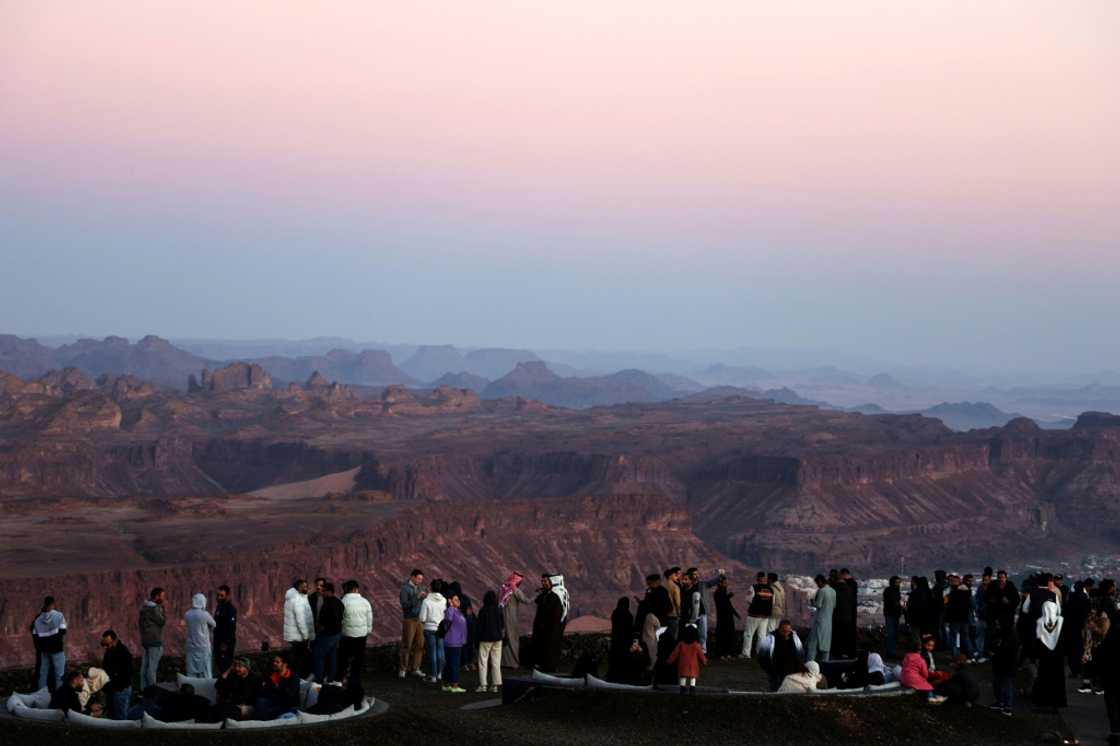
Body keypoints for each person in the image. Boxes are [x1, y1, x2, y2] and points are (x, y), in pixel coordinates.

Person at [1032, 600, 1067, 710]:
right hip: (1057, 656)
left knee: (1044, 677)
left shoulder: (1040, 621)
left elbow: (1037, 639)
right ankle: (1057, 702)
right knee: (1057, 678)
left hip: (1044, 655)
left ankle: (1043, 701)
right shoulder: (1061, 621)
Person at [532, 574, 569, 673]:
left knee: (550, 646)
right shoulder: (561, 592)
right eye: (542, 581)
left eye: (545, 581)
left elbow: (547, 610)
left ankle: (548, 667)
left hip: (551, 626)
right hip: (555, 626)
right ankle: (549, 666)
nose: (543, 583)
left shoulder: (554, 595)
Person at [339, 579, 374, 686]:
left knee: (344, 657)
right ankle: (355, 678)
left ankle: (343, 677)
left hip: (347, 634)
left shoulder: (342, 602)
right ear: (356, 589)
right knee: (358, 657)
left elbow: (340, 619)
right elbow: (369, 618)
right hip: (362, 635)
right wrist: (368, 630)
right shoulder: (365, 601)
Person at [635, 573, 672, 669]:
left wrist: (647, 606)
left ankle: (654, 663)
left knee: (652, 642)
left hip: (657, 620)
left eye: (649, 583)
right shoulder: (651, 591)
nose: (648, 585)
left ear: (655, 582)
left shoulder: (660, 592)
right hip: (657, 621)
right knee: (654, 642)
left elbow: (666, 607)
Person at [209, 657, 261, 722]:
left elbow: (252, 696)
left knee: (226, 710)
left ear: (246, 668)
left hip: (247, 706)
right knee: (215, 709)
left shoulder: (254, 679)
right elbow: (217, 685)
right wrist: (229, 669)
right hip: (232, 705)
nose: (236, 669)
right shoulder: (233, 676)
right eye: (235, 666)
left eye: (240, 667)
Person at [32, 596, 67, 692]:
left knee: (43, 674)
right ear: (53, 604)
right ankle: (60, 698)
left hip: (44, 651)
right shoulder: (59, 615)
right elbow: (63, 631)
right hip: (57, 650)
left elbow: (35, 636)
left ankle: (40, 697)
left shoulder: (37, 620)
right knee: (59, 675)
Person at [499, 572, 533, 669]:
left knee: (504, 638)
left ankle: (503, 662)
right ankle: (513, 662)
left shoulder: (502, 588)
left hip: (501, 617)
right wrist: (536, 595)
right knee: (512, 639)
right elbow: (527, 601)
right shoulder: (515, 590)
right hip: (511, 618)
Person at [312, 581, 344, 683]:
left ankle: (319, 681)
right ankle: (331, 679)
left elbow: (323, 619)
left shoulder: (328, 603)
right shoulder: (339, 602)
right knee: (332, 656)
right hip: (337, 633)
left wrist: (322, 627)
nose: (321, 593)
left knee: (318, 656)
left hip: (328, 634)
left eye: (323, 591)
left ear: (328, 591)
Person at [759, 619, 803, 691]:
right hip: (775, 671)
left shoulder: (795, 637)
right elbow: (762, 655)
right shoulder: (770, 637)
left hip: (790, 671)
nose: (786, 633)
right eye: (784, 631)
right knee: (774, 690)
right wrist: (769, 669)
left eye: (788, 631)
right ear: (779, 629)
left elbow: (800, 653)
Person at [282, 579, 314, 678]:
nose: (306, 588)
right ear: (298, 587)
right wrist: (305, 635)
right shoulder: (297, 599)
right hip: (299, 636)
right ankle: (299, 679)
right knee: (300, 660)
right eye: (304, 586)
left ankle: (296, 678)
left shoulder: (295, 597)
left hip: (294, 635)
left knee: (296, 658)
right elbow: (301, 620)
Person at [100, 629, 134, 720]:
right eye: (103, 644)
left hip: (120, 691)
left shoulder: (124, 654)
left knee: (120, 720)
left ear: (115, 640)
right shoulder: (109, 652)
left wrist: (115, 686)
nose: (105, 647)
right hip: (112, 690)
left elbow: (127, 675)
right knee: (111, 719)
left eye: (107, 644)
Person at [900, 637, 946, 703]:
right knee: (928, 687)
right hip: (913, 679)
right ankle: (930, 697)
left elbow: (903, 665)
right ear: (919, 650)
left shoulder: (906, 657)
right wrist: (924, 679)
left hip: (903, 678)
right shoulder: (921, 660)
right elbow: (925, 674)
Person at [399, 569, 427, 679]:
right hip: (409, 620)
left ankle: (416, 668)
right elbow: (404, 605)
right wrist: (417, 597)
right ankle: (403, 669)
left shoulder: (421, 588)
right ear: (412, 577)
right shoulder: (405, 589)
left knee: (420, 645)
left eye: (421, 579)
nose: (420, 581)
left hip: (420, 620)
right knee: (407, 645)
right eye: (419, 578)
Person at [255, 654, 301, 720]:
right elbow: (265, 692)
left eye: (277, 662)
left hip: (289, 706)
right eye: (274, 661)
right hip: (275, 704)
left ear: (285, 664)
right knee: (261, 701)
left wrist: (279, 685)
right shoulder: (272, 676)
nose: (274, 663)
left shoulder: (293, 677)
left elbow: (290, 695)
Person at [420, 579, 448, 683]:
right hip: (440, 628)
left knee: (432, 652)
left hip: (429, 628)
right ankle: (440, 673)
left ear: (431, 588)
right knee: (440, 651)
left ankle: (433, 675)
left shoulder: (426, 601)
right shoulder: (444, 600)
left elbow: (422, 618)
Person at [476, 590, 505, 693]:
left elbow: (479, 626)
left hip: (485, 639)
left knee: (483, 662)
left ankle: (483, 685)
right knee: (496, 662)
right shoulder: (498, 610)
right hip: (498, 639)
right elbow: (502, 625)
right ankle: (495, 685)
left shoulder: (483, 610)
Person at [138, 587, 166, 690]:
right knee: (151, 671)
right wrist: (161, 608)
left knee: (144, 670)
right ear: (157, 596)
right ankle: (152, 693)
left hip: (146, 641)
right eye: (162, 596)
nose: (163, 599)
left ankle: (143, 691)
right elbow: (162, 621)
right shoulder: (154, 608)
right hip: (154, 642)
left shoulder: (143, 608)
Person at [1063, 580, 1091, 682]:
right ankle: (1080, 670)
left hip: (1070, 628)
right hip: (1081, 627)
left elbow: (1065, 611)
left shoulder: (1070, 597)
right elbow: (1087, 612)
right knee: (1080, 649)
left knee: (1072, 650)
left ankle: (1074, 670)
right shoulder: (1085, 598)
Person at [184, 592, 217, 678]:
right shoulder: (205, 614)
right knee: (205, 670)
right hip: (203, 646)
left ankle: (191, 687)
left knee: (191, 671)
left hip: (191, 647)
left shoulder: (187, 614)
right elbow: (214, 624)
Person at [667, 624, 707, 695]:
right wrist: (704, 662)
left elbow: (674, 653)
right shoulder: (696, 645)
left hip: (683, 665)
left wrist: (669, 661)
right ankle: (692, 689)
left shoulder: (681, 644)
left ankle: (682, 689)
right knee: (693, 678)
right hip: (693, 666)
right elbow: (701, 655)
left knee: (683, 677)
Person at [441, 592, 469, 693]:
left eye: (458, 599)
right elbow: (447, 622)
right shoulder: (451, 610)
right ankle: (454, 684)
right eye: (456, 599)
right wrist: (451, 607)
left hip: (457, 641)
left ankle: (446, 684)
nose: (458, 601)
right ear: (450, 601)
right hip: (453, 641)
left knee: (450, 663)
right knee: (454, 663)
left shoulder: (458, 611)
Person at [989, 622, 1019, 715]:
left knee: (1006, 685)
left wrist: (994, 654)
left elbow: (1005, 652)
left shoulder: (1010, 639)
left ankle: (1007, 705)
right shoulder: (1006, 636)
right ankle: (1003, 703)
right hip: (1002, 665)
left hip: (1005, 665)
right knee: (1001, 684)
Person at [741, 572, 773, 659]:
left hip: (754, 615)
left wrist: (756, 605)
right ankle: (760, 653)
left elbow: (748, 599)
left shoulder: (753, 587)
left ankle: (746, 653)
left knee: (749, 634)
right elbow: (772, 602)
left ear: (758, 578)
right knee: (762, 636)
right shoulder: (770, 589)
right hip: (765, 616)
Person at [945, 575, 976, 661]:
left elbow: (947, 604)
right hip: (965, 618)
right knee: (966, 638)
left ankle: (955, 656)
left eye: (953, 581)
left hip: (954, 619)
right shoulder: (967, 591)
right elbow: (972, 605)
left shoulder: (951, 592)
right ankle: (971, 656)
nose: (952, 583)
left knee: (953, 638)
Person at [805, 574, 834, 662]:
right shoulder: (833, 591)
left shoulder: (821, 591)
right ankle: (825, 664)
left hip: (819, 621)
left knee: (812, 645)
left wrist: (812, 601)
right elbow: (834, 605)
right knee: (826, 645)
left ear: (820, 582)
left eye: (817, 583)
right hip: (828, 622)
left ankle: (809, 665)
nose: (817, 585)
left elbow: (818, 605)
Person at [607, 597, 634, 682]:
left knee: (614, 659)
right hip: (625, 641)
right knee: (623, 660)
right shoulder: (629, 615)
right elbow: (629, 629)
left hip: (616, 640)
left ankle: (612, 676)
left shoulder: (615, 613)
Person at [833, 569, 858, 658]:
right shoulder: (851, 586)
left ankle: (841, 653)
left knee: (841, 635)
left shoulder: (839, 588)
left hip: (841, 615)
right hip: (849, 614)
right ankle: (850, 653)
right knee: (849, 634)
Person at [212, 584, 237, 674]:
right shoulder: (219, 607)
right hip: (217, 642)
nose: (218, 597)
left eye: (221, 595)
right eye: (218, 595)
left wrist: (225, 643)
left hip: (225, 645)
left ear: (227, 595)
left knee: (226, 667)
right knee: (219, 666)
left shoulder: (230, 609)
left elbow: (231, 628)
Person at [713, 575, 739, 659]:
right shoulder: (718, 592)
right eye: (724, 583)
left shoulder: (723, 592)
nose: (726, 584)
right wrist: (728, 596)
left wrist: (735, 613)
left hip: (728, 617)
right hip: (722, 618)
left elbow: (729, 605)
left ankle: (727, 653)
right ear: (720, 583)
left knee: (729, 635)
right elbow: (721, 603)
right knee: (722, 636)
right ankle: (721, 653)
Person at [883, 576, 903, 659]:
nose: (898, 584)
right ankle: (891, 652)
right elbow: (891, 603)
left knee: (894, 634)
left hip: (895, 615)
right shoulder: (889, 591)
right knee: (891, 634)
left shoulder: (896, 591)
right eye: (897, 582)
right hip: (890, 615)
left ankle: (892, 651)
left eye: (899, 582)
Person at [664, 567, 682, 637]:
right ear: (670, 576)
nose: (676, 577)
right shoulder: (675, 587)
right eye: (675, 575)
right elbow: (677, 602)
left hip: (664, 615)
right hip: (673, 614)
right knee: (673, 636)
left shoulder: (662, 586)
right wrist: (679, 613)